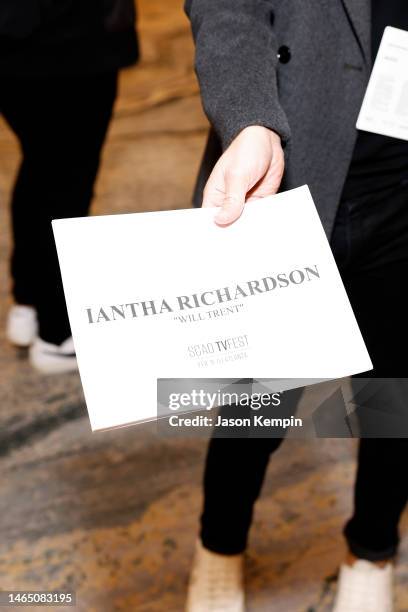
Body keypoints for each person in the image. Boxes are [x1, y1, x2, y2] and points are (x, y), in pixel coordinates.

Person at [184, 1, 408, 611]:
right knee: (255, 405)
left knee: (392, 401)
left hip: (401, 196)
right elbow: (229, 10)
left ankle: (371, 552)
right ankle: (219, 546)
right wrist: (249, 119)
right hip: (287, 180)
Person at [1, 0, 138, 373]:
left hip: (17, 41)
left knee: (41, 169)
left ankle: (28, 302)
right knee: (65, 186)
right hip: (74, 43)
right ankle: (56, 333)